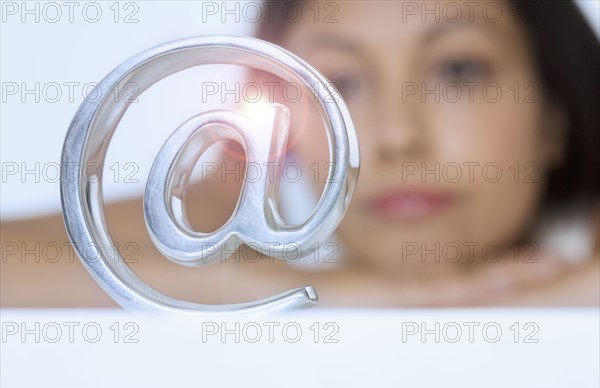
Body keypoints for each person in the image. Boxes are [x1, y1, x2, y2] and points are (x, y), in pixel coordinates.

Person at [2, 0, 598, 308]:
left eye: (458, 68)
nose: (396, 135)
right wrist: (297, 293)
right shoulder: (225, 211)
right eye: (340, 81)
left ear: (554, 114)